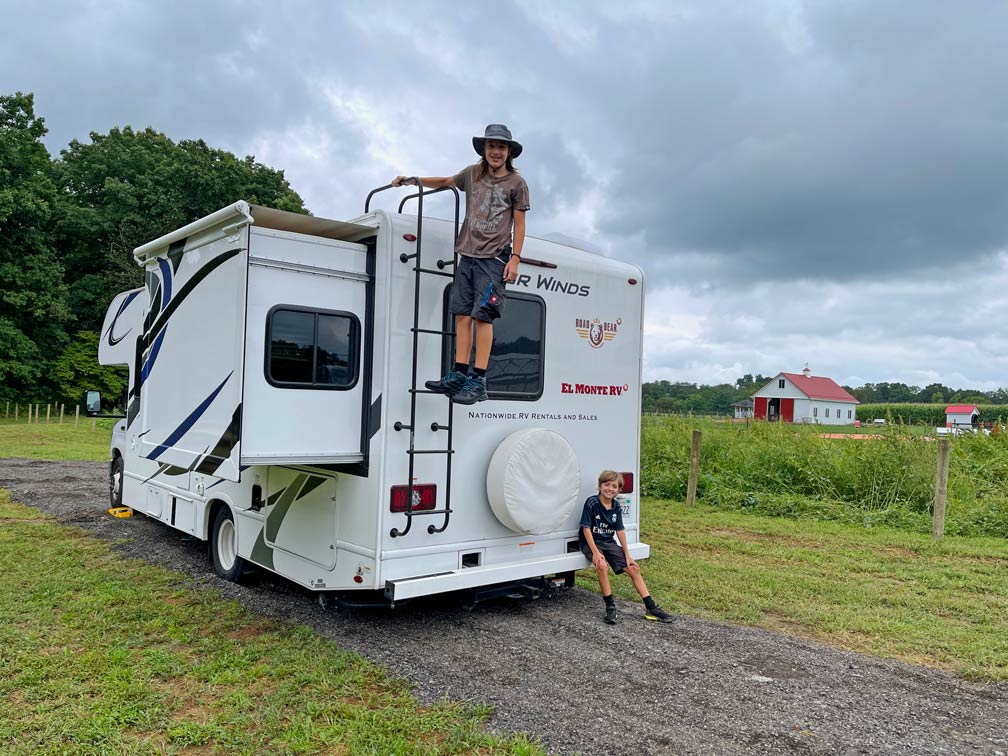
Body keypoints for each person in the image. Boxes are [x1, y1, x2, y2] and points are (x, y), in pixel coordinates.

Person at [392, 123, 529, 405]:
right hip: (467, 254)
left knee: (483, 316)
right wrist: (412, 180)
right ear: (484, 149)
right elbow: (445, 181)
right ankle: (458, 373)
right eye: (492, 146)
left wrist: (515, 259)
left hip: (494, 258)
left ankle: (478, 381)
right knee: (461, 315)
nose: (496, 152)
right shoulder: (472, 174)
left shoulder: (517, 183)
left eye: (501, 147)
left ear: (509, 152)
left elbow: (519, 223)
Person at [579, 470, 674, 625]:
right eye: (606, 485)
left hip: (608, 542)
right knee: (602, 566)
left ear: (618, 490)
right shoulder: (592, 503)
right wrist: (595, 553)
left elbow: (620, 531)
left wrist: (627, 555)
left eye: (614, 486)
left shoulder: (616, 506)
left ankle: (651, 607)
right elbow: (586, 529)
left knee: (634, 568)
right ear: (600, 486)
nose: (610, 489)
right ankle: (610, 606)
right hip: (591, 542)